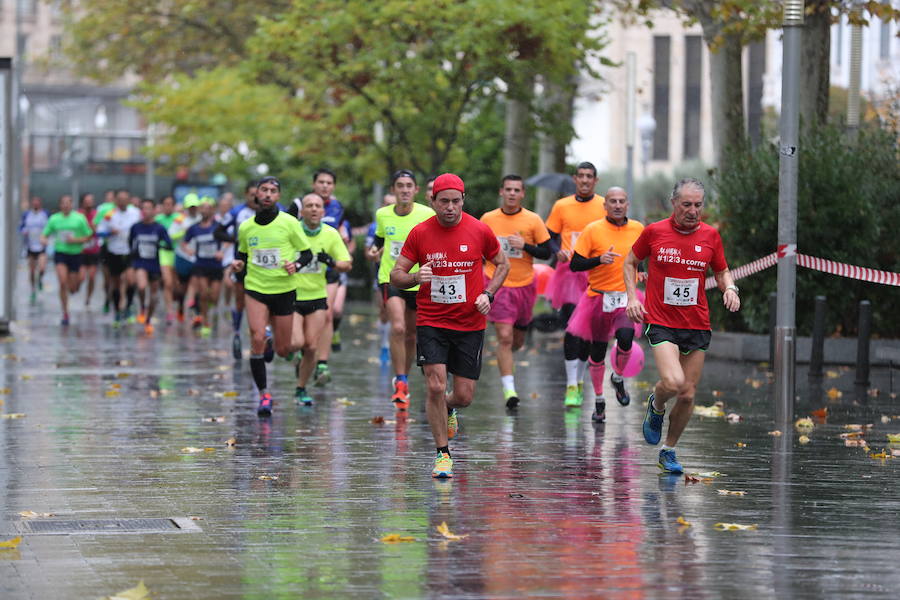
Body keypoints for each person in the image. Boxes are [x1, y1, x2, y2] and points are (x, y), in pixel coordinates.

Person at [391, 172, 510, 479]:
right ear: (432, 201)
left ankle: (449, 408)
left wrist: (488, 293)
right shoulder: (420, 233)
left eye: (455, 201)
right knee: (434, 385)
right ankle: (443, 454)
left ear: (463, 201)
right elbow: (396, 275)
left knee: (465, 395)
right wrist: (416, 277)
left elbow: (503, 264)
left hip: (470, 322)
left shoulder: (479, 230)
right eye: (443, 201)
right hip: (431, 320)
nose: (450, 208)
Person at [624, 178, 740, 474]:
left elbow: (722, 269)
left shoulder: (711, 236)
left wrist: (730, 289)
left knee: (687, 393)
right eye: (686, 204)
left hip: (696, 323)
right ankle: (657, 404)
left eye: (698, 205)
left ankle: (669, 450)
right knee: (674, 383)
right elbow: (630, 262)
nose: (692, 211)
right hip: (661, 320)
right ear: (673, 203)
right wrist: (631, 299)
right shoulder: (654, 232)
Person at [233, 175, 312, 416]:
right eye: (263, 190)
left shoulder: (289, 223)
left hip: (284, 290)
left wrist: (295, 266)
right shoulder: (246, 227)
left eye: (272, 191)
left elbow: (306, 254)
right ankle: (264, 395)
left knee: (283, 349)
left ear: (278, 196)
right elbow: (242, 258)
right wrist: (237, 266)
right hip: (256, 288)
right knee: (256, 336)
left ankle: (271, 343)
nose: (267, 194)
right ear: (256, 194)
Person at [567, 187, 644, 421]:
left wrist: (643, 272)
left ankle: (618, 377)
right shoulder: (593, 230)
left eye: (622, 201)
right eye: (613, 201)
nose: (618, 205)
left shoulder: (638, 229)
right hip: (598, 299)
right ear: (605, 205)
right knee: (598, 352)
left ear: (627, 204)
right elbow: (575, 265)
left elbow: (640, 258)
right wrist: (598, 260)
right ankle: (599, 400)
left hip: (626, 297)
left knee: (626, 338)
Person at [480, 174, 551, 409]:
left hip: (524, 285)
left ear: (522, 194)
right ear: (501, 192)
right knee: (505, 337)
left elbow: (546, 252)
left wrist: (525, 246)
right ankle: (509, 389)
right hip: (496, 282)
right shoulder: (488, 219)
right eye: (507, 189)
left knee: (517, 340)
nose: (511, 193)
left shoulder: (533, 220)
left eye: (516, 190)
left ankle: (506, 358)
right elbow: (477, 249)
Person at [367, 169, 435, 410]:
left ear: (416, 190)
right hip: (391, 277)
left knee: (411, 334)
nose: (404, 190)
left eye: (409, 186)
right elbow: (379, 238)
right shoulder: (383, 214)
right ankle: (401, 382)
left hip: (419, 280)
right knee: (397, 326)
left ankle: (404, 379)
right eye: (400, 185)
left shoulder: (427, 213)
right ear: (393, 190)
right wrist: (373, 250)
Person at [545, 161, 607, 405]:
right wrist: (555, 251)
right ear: (574, 179)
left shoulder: (604, 205)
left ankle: (580, 379)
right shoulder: (562, 206)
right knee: (572, 327)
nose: (584, 180)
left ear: (595, 180)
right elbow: (548, 237)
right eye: (580, 176)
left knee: (589, 332)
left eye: (589, 176)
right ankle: (571, 385)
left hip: (596, 273)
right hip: (569, 272)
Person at [291, 193, 352, 405]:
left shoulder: (330, 234)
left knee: (310, 347)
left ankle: (300, 389)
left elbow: (347, 263)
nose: (314, 209)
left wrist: (332, 262)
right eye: (309, 205)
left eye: (318, 206)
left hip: (317, 297)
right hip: (292, 295)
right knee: (297, 342)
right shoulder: (292, 231)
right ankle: (288, 351)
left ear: (323, 212)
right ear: (302, 211)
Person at [216, 183, 259, 359]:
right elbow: (217, 232)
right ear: (245, 194)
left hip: (265, 266)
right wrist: (236, 239)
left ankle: (266, 335)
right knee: (240, 300)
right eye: (251, 194)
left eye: (259, 194)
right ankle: (237, 334)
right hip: (242, 263)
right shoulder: (236, 213)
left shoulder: (274, 211)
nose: (255, 198)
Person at [40, 195, 93, 325]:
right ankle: (65, 313)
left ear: (72, 205)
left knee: (74, 286)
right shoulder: (54, 219)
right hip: (61, 253)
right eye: (63, 203)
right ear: (60, 205)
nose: (65, 205)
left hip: (76, 254)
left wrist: (75, 240)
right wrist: (44, 240)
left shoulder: (79, 218)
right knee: (62, 282)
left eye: (68, 203)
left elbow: (89, 236)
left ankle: (74, 288)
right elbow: (44, 234)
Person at [96, 189, 141, 324]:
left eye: (125, 199)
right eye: (119, 200)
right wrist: (110, 233)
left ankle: (128, 306)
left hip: (130, 252)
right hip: (114, 252)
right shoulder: (109, 215)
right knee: (115, 282)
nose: (122, 202)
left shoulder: (135, 213)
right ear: (116, 201)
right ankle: (116, 310)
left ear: (129, 200)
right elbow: (99, 232)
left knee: (131, 280)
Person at [129, 199, 173, 335]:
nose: (146, 211)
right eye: (144, 208)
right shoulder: (136, 227)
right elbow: (130, 242)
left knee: (154, 297)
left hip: (154, 264)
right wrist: (133, 253)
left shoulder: (159, 228)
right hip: (140, 262)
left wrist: (161, 245)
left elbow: (170, 245)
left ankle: (148, 320)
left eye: (149, 208)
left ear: (154, 210)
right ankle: (142, 307)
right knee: (141, 286)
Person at [182, 198, 224, 335]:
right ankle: (206, 322)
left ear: (212, 210)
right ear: (200, 210)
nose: (205, 210)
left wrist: (222, 251)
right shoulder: (194, 228)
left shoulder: (218, 226)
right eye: (203, 208)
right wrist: (188, 251)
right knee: (204, 294)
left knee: (215, 296)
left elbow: (229, 240)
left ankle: (211, 311)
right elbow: (184, 243)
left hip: (216, 265)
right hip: (201, 265)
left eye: (208, 208)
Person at [365, 193, 397, 365]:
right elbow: (369, 252)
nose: (387, 207)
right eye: (385, 204)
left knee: (399, 317)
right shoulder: (374, 227)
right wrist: (374, 254)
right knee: (384, 312)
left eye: (391, 204)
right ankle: (384, 345)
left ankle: (395, 346)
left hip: (403, 276)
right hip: (382, 275)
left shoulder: (406, 222)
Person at [154, 195, 179, 323]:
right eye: (165, 204)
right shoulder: (157, 219)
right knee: (167, 282)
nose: (168, 206)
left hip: (178, 253)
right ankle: (170, 311)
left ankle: (179, 307)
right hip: (164, 253)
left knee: (177, 285)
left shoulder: (179, 219)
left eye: (170, 204)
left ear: (174, 206)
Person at [19, 196, 49, 302]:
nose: (36, 204)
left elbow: (49, 227)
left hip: (41, 246)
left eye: (37, 202)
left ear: (40, 204)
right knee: (31, 271)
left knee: (42, 268)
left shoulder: (45, 214)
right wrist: (24, 231)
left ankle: (40, 279)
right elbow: (21, 227)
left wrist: (46, 238)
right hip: (30, 246)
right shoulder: (27, 215)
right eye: (34, 202)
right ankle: (33, 290)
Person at [78, 193, 101, 307]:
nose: (89, 203)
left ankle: (88, 298)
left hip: (93, 250)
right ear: (82, 203)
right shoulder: (78, 214)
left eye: (91, 201)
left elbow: (98, 230)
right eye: (87, 201)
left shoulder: (96, 214)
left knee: (91, 277)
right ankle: (76, 287)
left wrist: (92, 226)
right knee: (81, 278)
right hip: (81, 251)